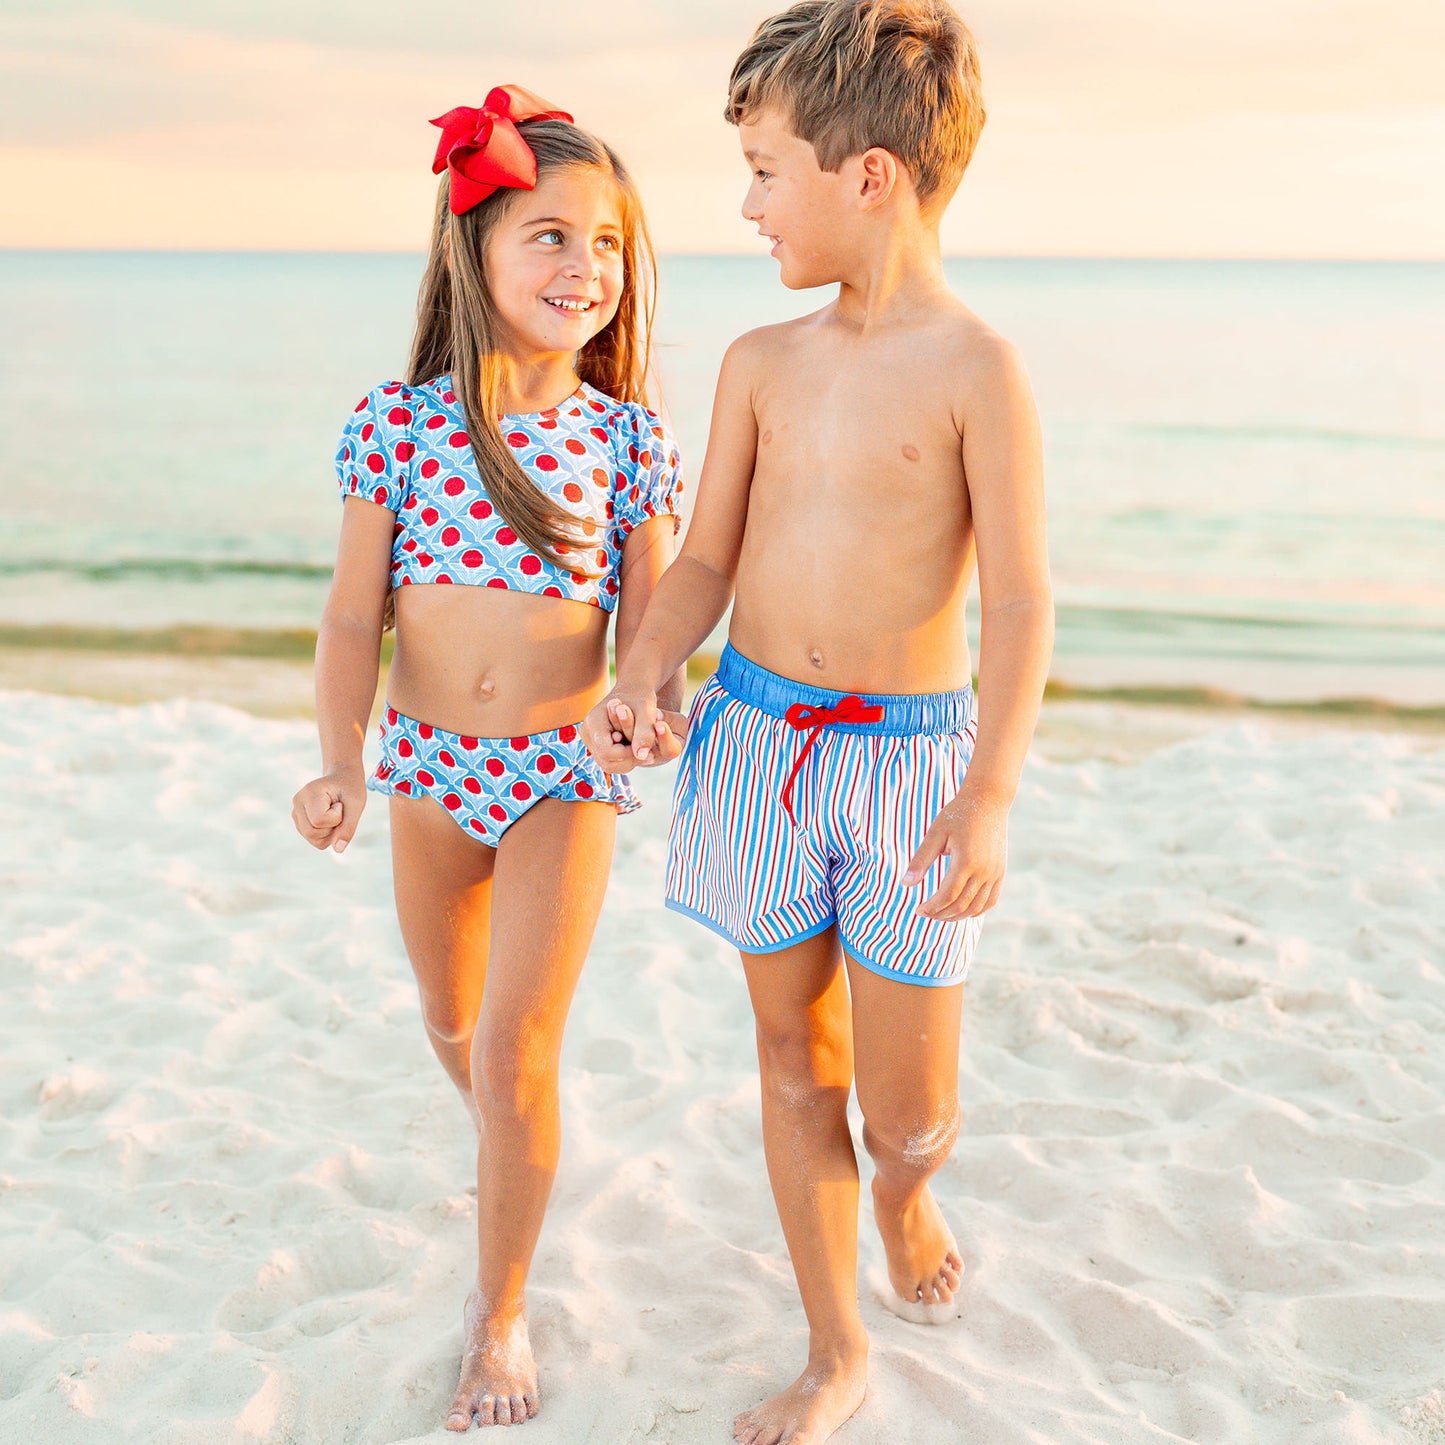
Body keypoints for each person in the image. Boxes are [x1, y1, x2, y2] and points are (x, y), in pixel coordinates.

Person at [582, 4, 1053, 1441]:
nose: (744, 202)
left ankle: (906, 1193)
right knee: (794, 1059)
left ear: (871, 178)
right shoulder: (758, 365)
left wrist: (986, 797)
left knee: (905, 1110)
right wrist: (647, 670)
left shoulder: (977, 369)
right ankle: (834, 1343)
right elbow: (706, 560)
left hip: (909, 765)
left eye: (766, 169)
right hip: (758, 747)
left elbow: (1023, 603)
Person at [291, 87, 683, 1432]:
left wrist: (647, 697)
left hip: (560, 777)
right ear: (476, 253)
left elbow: (653, 633)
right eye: (553, 238)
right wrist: (340, 762)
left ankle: (500, 1310)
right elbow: (354, 616)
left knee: (516, 1052)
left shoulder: (626, 437)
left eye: (609, 246)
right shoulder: (397, 424)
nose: (587, 268)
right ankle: (516, 1143)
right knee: (452, 1025)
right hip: (425, 774)